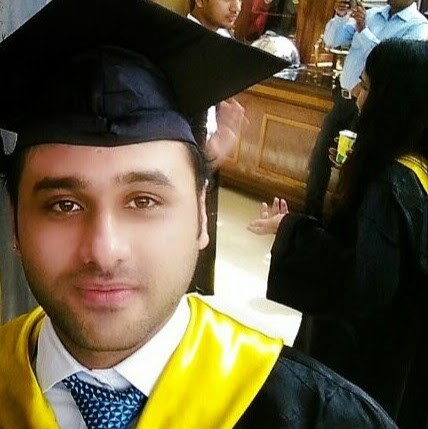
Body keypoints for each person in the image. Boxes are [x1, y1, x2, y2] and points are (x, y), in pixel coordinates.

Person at [0, 0, 399, 428]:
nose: (104, 251)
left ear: (201, 215)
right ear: (16, 222)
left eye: (144, 201)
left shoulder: (324, 417)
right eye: (64, 205)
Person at [249, 38, 428, 428]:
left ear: (394, 101)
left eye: (366, 85)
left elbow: (359, 281)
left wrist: (291, 230)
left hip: (366, 365)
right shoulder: (418, 170)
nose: (357, 94)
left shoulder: (392, 185)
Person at [304, 0, 428, 219]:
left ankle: (344, 221)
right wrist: (340, 16)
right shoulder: (372, 15)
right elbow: (332, 40)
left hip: (376, 111)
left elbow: (389, 66)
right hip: (344, 101)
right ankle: (310, 217)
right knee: (321, 158)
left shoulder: (419, 27)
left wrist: (363, 32)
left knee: (357, 166)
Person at [187, 0, 245, 295]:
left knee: (203, 241)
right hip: (190, 159)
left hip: (210, 155)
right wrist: (209, 153)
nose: (237, 6)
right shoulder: (183, 44)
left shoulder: (223, 43)